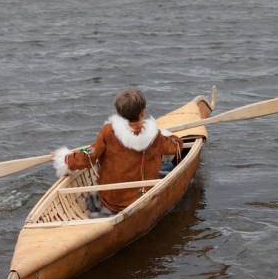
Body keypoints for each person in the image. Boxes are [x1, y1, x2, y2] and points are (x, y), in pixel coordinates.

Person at [53, 89, 182, 215]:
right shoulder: (155, 135)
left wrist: (66, 159)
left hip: (112, 202)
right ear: (142, 113)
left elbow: (89, 154)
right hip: (142, 198)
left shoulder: (108, 131)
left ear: (119, 114)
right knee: (168, 166)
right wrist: (173, 138)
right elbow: (173, 147)